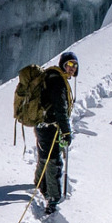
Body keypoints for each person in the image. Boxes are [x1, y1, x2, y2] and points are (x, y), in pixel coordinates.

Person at [34, 51, 78, 213]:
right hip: (50, 126)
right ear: (63, 65)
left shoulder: (52, 77)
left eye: (75, 65)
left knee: (45, 156)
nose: (72, 68)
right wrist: (66, 131)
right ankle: (53, 197)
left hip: (42, 125)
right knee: (53, 161)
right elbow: (60, 108)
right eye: (70, 64)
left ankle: (39, 184)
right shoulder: (57, 81)